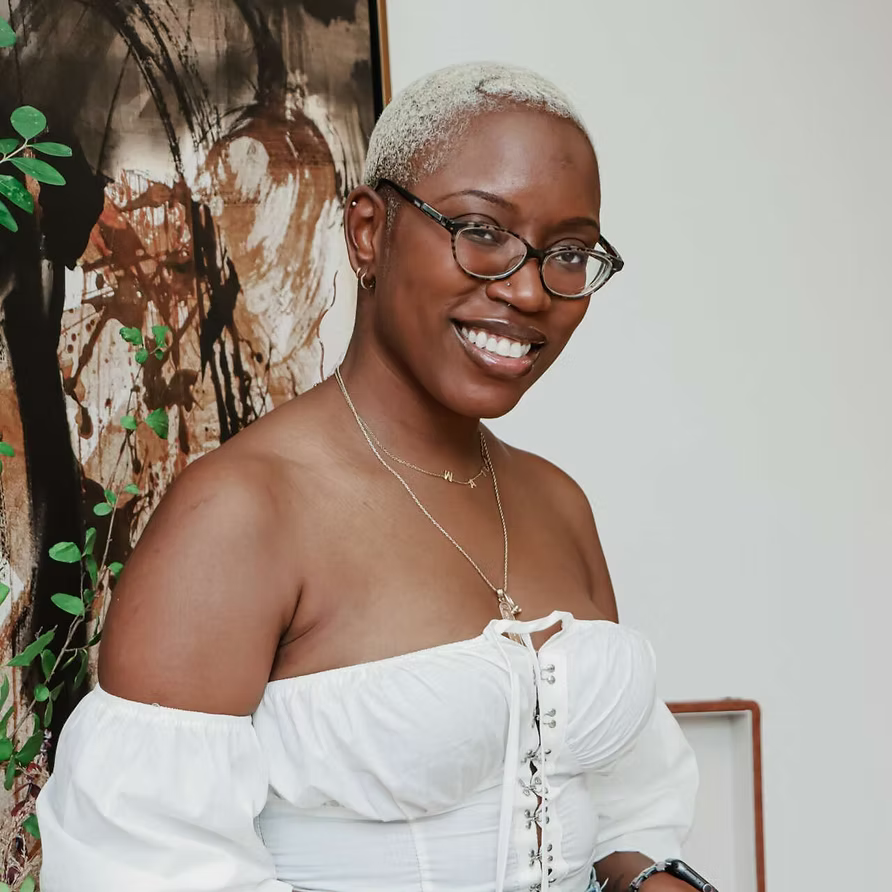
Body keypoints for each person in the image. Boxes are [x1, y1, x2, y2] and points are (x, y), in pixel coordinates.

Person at [37, 62, 706, 892]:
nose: (531, 290)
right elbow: (145, 865)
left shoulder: (556, 502)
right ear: (367, 232)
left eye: (568, 253)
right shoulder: (241, 514)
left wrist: (648, 877)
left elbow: (615, 807)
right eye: (483, 231)